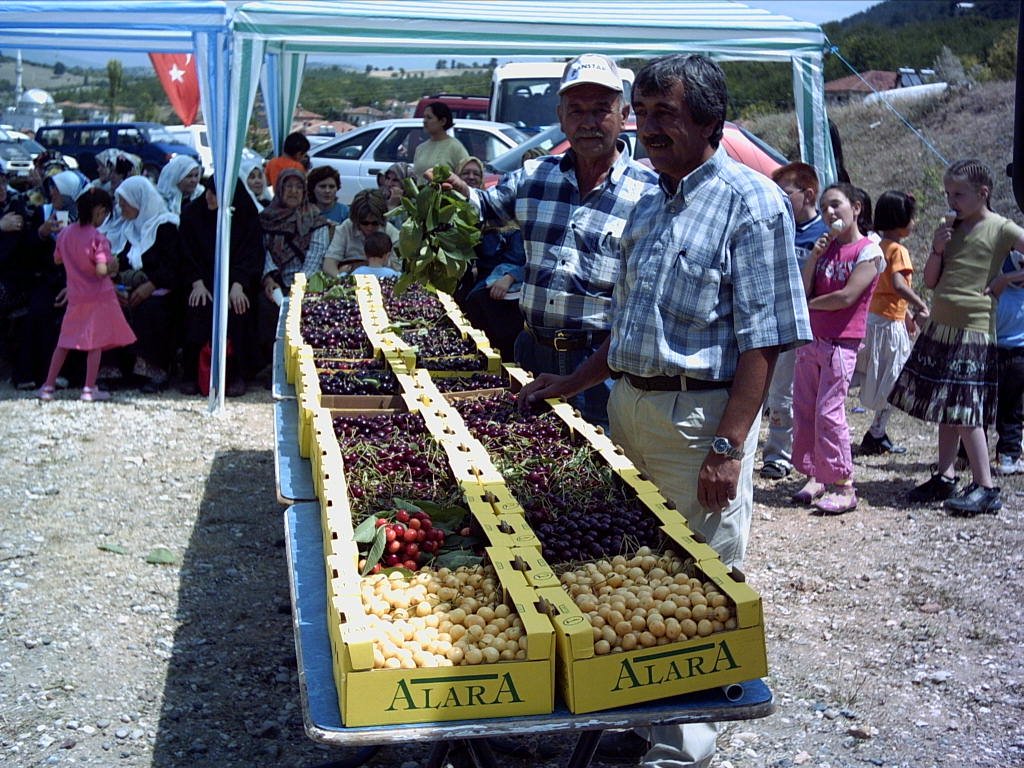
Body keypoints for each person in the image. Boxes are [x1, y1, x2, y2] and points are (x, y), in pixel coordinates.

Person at [519, 54, 811, 768]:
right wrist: (572, 381)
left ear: (709, 122)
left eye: (664, 116)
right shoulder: (651, 199)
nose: (647, 128)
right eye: (642, 114)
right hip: (630, 408)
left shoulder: (752, 202)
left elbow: (765, 337)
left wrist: (730, 445)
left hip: (697, 422)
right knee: (638, 568)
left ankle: (683, 747)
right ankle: (643, 710)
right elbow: (628, 326)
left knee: (702, 577)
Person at [442, 53, 657, 428]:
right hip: (532, 352)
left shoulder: (650, 195)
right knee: (529, 461)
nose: (588, 122)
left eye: (600, 110)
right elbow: (484, 211)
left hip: (601, 368)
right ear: (560, 117)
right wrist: (453, 192)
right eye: (576, 110)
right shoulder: (534, 176)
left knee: (601, 471)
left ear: (624, 116)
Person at [890, 160, 1024, 515]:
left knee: (966, 410)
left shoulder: (1002, 228)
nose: (952, 201)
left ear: (983, 193)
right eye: (948, 193)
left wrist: (1002, 282)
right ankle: (945, 475)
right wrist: (936, 248)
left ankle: (986, 487)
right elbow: (931, 281)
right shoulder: (949, 227)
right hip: (941, 326)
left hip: (974, 328)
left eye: (959, 194)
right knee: (945, 408)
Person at [790, 183, 882, 514]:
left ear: (855, 208)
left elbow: (847, 297)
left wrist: (808, 304)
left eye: (836, 205)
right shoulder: (826, 248)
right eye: (826, 207)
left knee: (830, 413)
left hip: (841, 345)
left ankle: (844, 484)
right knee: (805, 408)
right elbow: (804, 286)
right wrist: (814, 257)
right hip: (812, 340)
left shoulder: (869, 251)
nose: (830, 212)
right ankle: (817, 475)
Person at [759, 162, 830, 480]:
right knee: (772, 390)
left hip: (810, 329)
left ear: (809, 193)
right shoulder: (774, 227)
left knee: (793, 394)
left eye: (784, 192)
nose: (777, 198)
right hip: (770, 321)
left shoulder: (825, 236)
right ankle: (774, 452)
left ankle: (790, 454)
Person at [37, 187, 135, 402]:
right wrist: (112, 266)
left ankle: (48, 386)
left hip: (75, 295)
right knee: (95, 344)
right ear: (99, 211)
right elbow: (101, 271)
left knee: (64, 342)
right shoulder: (98, 238)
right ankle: (89, 388)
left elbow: (57, 260)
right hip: (98, 297)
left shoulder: (65, 233)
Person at [856, 190, 930, 455]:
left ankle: (876, 432)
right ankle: (876, 433)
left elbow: (884, 289)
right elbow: (898, 286)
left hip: (873, 320)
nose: (914, 222)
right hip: (888, 326)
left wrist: (907, 317)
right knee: (896, 380)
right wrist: (920, 305)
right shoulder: (899, 250)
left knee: (868, 374)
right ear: (902, 221)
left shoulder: (875, 246)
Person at [178, 175, 263, 397]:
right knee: (199, 307)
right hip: (201, 282)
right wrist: (196, 282)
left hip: (235, 283)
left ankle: (235, 373)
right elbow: (185, 252)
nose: (209, 197)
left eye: (215, 193)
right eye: (208, 191)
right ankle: (192, 373)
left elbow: (251, 254)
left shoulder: (245, 215)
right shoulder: (193, 215)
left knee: (239, 309)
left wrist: (238, 285)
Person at [257, 167, 332, 369]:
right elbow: (262, 252)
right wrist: (269, 279)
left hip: (306, 281)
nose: (293, 191)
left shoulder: (315, 218)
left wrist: (298, 286)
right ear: (280, 189)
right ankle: (271, 364)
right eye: (288, 186)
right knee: (265, 308)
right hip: (275, 281)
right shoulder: (267, 218)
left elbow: (316, 254)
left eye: (298, 187)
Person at [452, 155, 526, 361]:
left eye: (476, 173)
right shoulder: (453, 211)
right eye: (466, 173)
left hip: (506, 295)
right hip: (474, 290)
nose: (471, 177)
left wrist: (511, 276)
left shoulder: (503, 211)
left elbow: (534, 261)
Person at [114, 175, 182, 393]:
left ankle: (154, 371)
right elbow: (121, 263)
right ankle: (118, 370)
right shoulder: (129, 229)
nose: (121, 207)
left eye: (125, 202)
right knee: (111, 307)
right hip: (132, 289)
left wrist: (150, 286)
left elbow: (174, 267)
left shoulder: (165, 226)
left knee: (150, 310)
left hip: (162, 292)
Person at [992, 249, 1024, 475]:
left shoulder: (996, 294)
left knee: (980, 406)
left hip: (991, 351)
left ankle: (965, 453)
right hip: (1019, 356)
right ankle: (1008, 455)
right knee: (1012, 408)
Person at [322, 189, 400, 276]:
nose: (369, 227)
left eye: (375, 223)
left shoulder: (391, 232)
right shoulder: (346, 228)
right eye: (364, 223)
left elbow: (397, 268)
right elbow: (329, 264)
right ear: (356, 220)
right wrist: (341, 281)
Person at [412, 101, 469, 179]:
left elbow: (466, 176)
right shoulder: (420, 148)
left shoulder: (455, 147)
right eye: (424, 117)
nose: (424, 121)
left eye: (429, 117)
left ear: (442, 121)